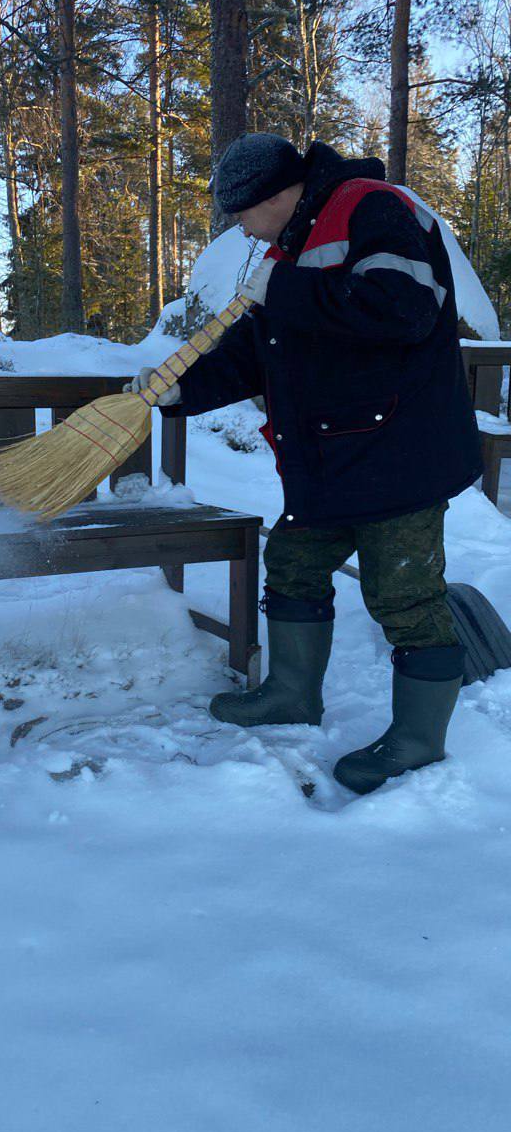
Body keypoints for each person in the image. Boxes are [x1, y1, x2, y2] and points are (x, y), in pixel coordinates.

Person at [129, 133, 482, 794]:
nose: (237, 227)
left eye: (240, 213)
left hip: (399, 454)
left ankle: (416, 741)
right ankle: (292, 695)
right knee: (292, 563)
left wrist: (287, 287)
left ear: (274, 196)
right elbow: (254, 353)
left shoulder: (372, 208)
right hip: (330, 456)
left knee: (403, 595)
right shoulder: (287, 248)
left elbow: (402, 308)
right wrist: (184, 388)